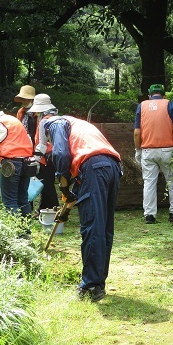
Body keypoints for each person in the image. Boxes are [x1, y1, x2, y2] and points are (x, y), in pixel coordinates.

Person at [31, 95, 122, 302]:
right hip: (112, 167)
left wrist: (63, 184)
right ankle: (98, 283)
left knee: (92, 226)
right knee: (104, 227)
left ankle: (90, 286)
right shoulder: (75, 123)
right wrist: (70, 191)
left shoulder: (53, 123)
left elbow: (61, 155)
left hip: (93, 168)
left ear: (42, 116)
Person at [133, 83, 173, 224]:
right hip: (168, 150)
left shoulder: (142, 106)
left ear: (149, 95)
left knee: (149, 183)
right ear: (164, 95)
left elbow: (136, 132)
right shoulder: (169, 104)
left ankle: (149, 215)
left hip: (147, 151)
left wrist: (138, 150)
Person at [15, 87, 59, 213]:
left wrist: (38, 154)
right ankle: (30, 208)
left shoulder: (44, 116)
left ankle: (48, 209)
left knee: (45, 180)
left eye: (25, 98)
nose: (23, 101)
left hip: (43, 150)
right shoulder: (21, 112)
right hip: (28, 148)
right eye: (21, 98)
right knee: (29, 180)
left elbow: (43, 139)